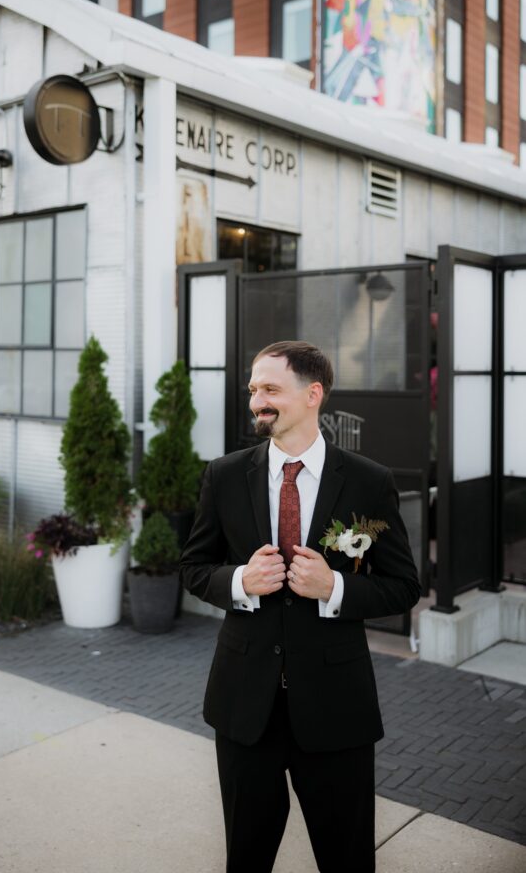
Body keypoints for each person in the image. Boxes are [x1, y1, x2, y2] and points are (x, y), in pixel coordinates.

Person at [180, 341, 421, 873]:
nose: (256, 402)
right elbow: (193, 568)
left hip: (336, 708)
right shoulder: (224, 475)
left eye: (270, 389)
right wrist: (240, 580)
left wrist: (334, 586)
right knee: (246, 858)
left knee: (347, 859)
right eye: (253, 390)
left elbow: (404, 587)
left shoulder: (368, 481)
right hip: (245, 706)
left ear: (313, 395)